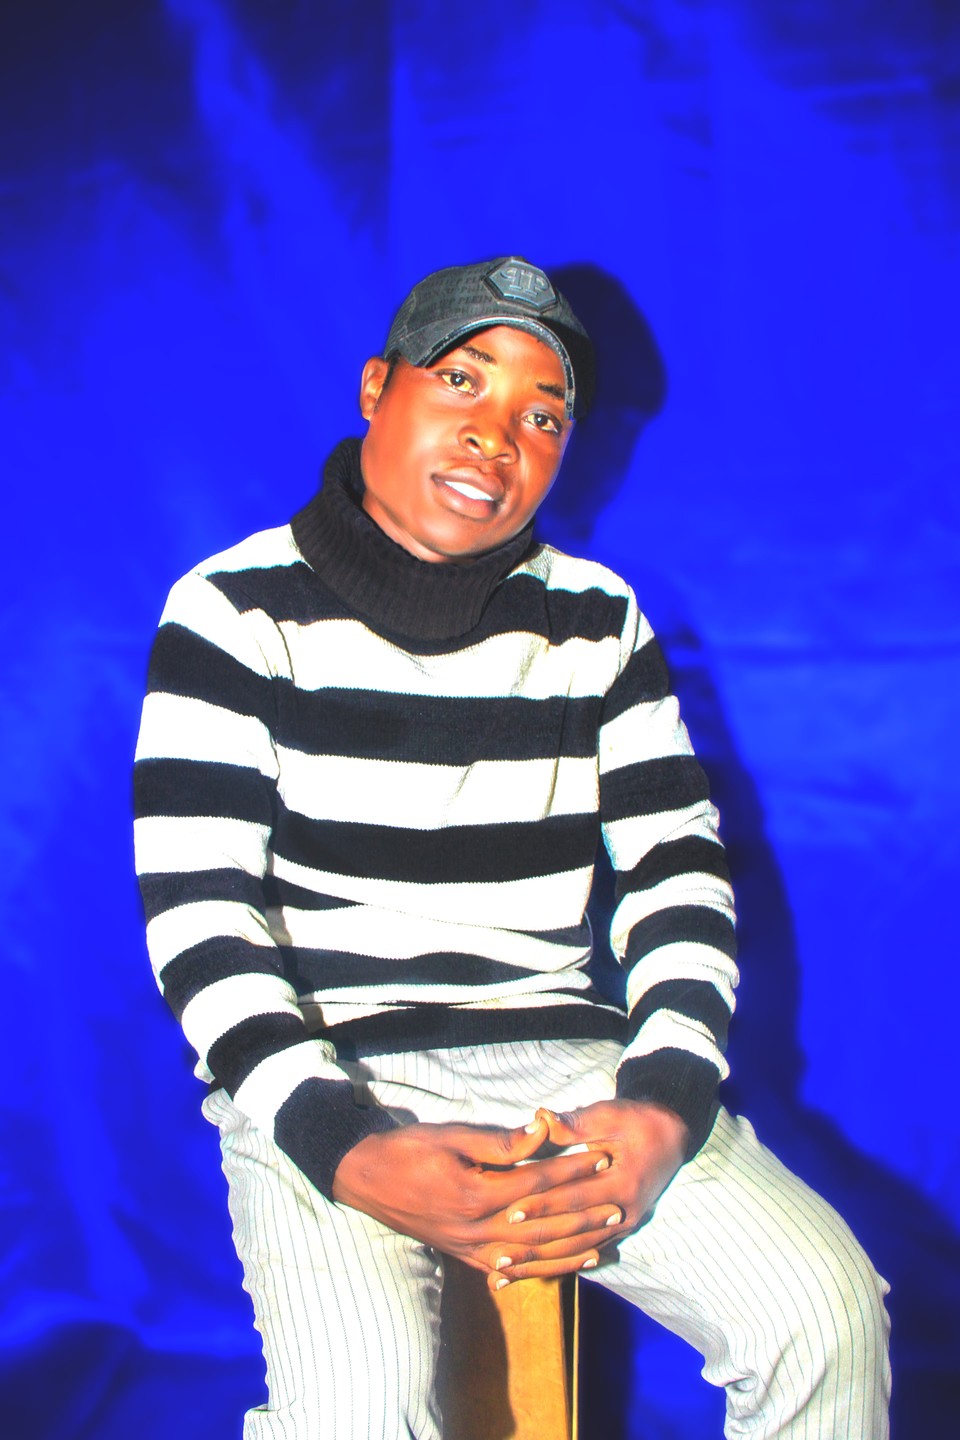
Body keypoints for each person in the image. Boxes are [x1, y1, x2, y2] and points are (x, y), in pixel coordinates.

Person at [133, 257, 890, 1438]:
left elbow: (678, 878)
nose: (497, 435)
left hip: (565, 1060)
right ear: (376, 388)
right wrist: (344, 1146)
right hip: (332, 1059)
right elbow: (201, 918)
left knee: (823, 1314)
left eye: (543, 416)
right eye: (462, 381)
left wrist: (663, 1103)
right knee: (353, 1415)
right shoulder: (232, 610)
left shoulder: (598, 619)